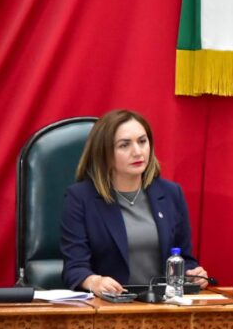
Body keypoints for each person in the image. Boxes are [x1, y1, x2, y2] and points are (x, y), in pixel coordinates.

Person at [60, 109, 208, 296]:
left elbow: (183, 258)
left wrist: (192, 274)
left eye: (142, 141)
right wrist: (94, 281)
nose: (138, 152)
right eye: (124, 145)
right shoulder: (80, 198)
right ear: (104, 153)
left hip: (164, 306)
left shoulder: (171, 193)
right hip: (109, 307)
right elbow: (74, 267)